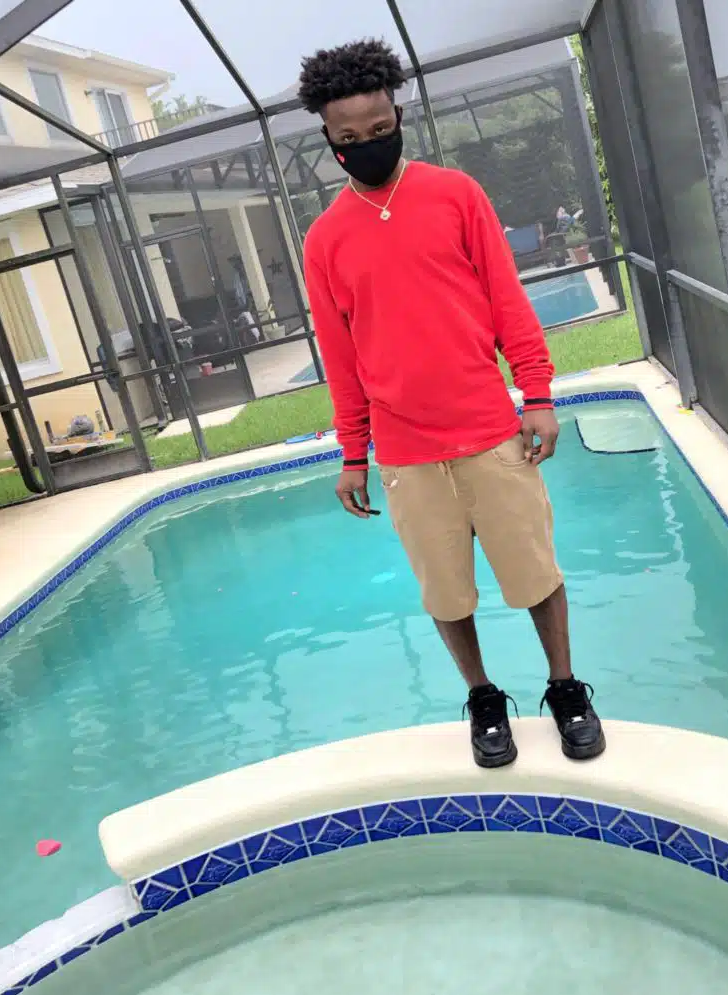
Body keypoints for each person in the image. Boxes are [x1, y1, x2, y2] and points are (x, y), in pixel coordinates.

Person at [298, 40, 605, 769]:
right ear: (329, 140)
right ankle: (484, 699)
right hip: (406, 453)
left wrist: (536, 393)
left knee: (536, 573)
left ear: (398, 116)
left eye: (380, 129)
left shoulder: (456, 195)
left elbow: (506, 300)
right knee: (446, 595)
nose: (368, 144)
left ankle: (565, 689)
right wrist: (352, 453)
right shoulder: (324, 240)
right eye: (350, 137)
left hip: (491, 433)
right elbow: (340, 359)